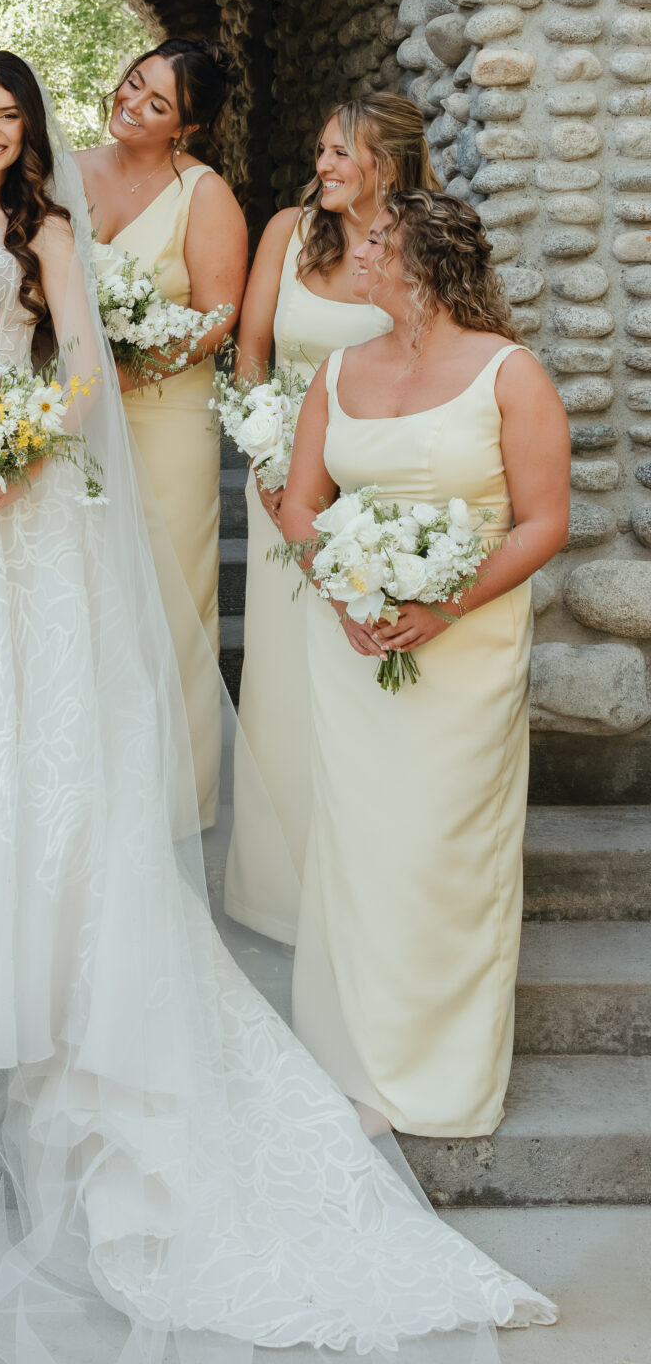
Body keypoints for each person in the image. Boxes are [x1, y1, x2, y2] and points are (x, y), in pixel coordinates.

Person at [0, 55, 555, 1360]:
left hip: (15, 490)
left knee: (26, 739)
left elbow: (76, 368)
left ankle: (32, 967)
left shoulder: (49, 229)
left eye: (9, 114)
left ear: (24, 129)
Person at [281, 188, 570, 1139]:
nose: (358, 258)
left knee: (441, 853)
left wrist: (442, 606)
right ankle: (350, 1053)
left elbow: (543, 522)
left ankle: (439, 1076)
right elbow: (301, 503)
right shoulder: (338, 369)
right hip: (354, 647)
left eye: (376, 246)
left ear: (428, 264)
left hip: (466, 648)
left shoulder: (509, 374)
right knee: (361, 850)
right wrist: (347, 596)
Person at [224, 94, 437, 944]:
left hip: (378, 496)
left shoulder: (425, 240)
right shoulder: (287, 231)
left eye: (342, 154)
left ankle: (373, 886)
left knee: (365, 685)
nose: (324, 167)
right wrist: (271, 469)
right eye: (321, 151)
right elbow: (250, 354)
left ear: (390, 162)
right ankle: (282, 894)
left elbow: (443, 360)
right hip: (283, 490)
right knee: (285, 689)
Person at [76, 38, 247, 823]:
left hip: (165, 414)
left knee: (172, 597)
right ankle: (85, 782)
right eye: (131, 82)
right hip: (75, 415)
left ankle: (174, 795)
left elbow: (216, 319)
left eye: (157, 105)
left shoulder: (202, 194)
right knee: (83, 594)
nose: (132, 105)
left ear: (188, 127)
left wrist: (126, 374)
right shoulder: (68, 169)